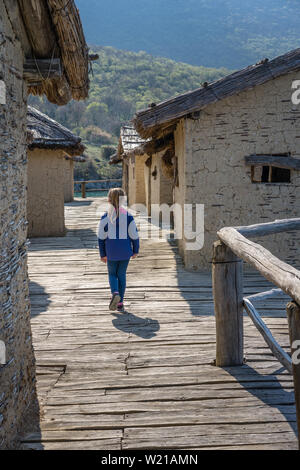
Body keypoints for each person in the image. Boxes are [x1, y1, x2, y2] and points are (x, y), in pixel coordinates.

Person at [98, 188, 139, 312]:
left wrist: (102, 253)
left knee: (112, 274)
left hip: (111, 252)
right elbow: (134, 235)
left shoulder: (105, 217)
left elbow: (101, 237)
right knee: (121, 274)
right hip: (125, 251)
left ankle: (115, 292)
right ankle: (120, 302)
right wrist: (136, 249)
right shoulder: (128, 216)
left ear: (109, 200)